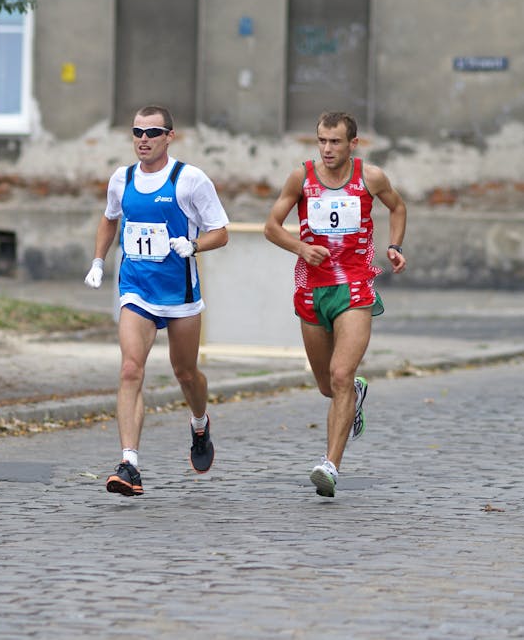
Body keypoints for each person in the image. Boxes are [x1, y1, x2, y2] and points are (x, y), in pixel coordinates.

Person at [84, 105, 230, 496]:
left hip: (179, 293)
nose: (143, 140)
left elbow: (221, 231)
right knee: (131, 369)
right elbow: (109, 217)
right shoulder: (122, 178)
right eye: (137, 132)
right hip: (136, 288)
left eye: (152, 133)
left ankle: (200, 424)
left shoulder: (190, 180)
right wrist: (99, 260)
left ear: (170, 136)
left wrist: (193, 244)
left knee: (186, 373)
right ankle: (129, 463)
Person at [263, 111, 407, 497]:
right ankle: (354, 397)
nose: (327, 149)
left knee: (341, 374)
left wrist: (393, 246)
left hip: (356, 285)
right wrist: (299, 247)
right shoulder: (301, 177)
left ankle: (330, 465)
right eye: (322, 141)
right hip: (312, 288)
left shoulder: (370, 177)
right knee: (328, 386)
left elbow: (398, 207)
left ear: (352, 144)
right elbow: (271, 226)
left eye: (335, 142)